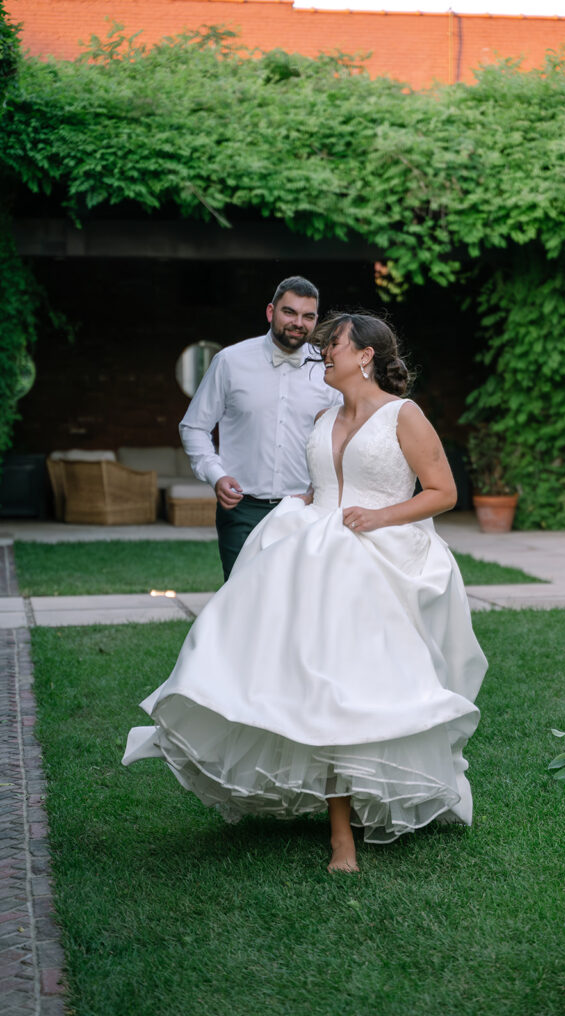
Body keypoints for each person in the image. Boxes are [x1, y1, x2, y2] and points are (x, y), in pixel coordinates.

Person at [123, 313, 487, 873]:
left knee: (360, 687)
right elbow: (324, 488)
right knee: (309, 680)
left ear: (365, 355)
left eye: (333, 344)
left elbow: (443, 492)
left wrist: (378, 516)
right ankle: (340, 829)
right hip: (313, 553)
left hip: (379, 556)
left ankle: (357, 811)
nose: (323, 354)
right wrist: (304, 502)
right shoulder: (324, 416)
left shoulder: (403, 415)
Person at [179, 275, 341, 580]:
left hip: (306, 511)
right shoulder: (229, 361)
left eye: (308, 316)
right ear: (271, 312)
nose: (298, 323)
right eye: (289, 312)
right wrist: (216, 475)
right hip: (242, 509)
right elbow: (194, 427)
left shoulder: (328, 370)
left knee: (299, 601)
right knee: (240, 602)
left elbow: (343, 437)